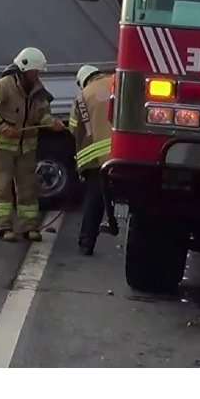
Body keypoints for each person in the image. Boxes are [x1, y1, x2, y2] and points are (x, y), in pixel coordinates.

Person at [0, 47, 64, 242]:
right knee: (2, 188)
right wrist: (2, 126)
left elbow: (42, 113)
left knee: (28, 189)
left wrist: (51, 122)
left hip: (26, 148)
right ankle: (3, 227)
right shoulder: (4, 85)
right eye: (35, 72)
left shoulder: (38, 90)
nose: (37, 75)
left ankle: (29, 227)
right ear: (24, 70)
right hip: (1, 147)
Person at [70, 64, 118, 256]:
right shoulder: (117, 82)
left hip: (98, 161)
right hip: (125, 154)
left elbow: (74, 128)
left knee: (94, 200)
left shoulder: (82, 96)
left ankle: (86, 243)